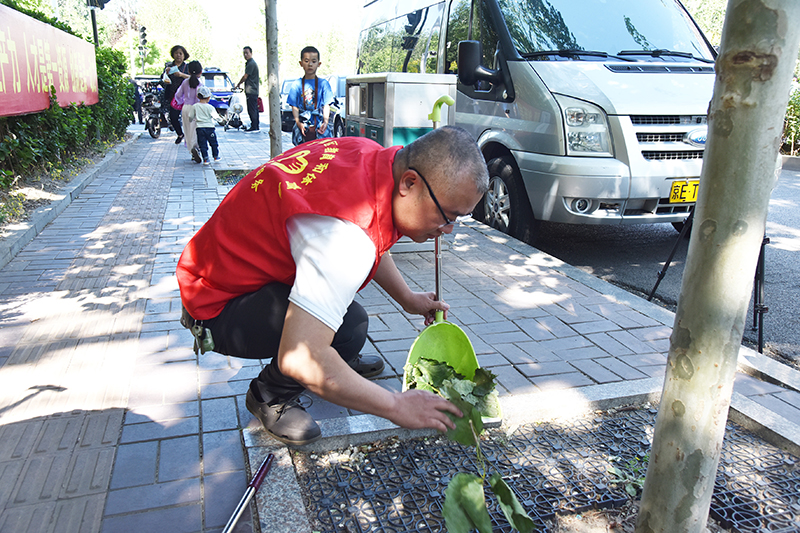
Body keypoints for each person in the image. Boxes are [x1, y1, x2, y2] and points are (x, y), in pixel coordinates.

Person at [176, 126, 489, 446]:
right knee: (345, 330)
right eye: (448, 216)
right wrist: (396, 406)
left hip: (223, 272)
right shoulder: (344, 241)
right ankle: (269, 394)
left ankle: (338, 368)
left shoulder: (372, 158)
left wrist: (407, 298)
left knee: (351, 326)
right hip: (214, 306)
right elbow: (301, 356)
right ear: (410, 182)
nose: (448, 230)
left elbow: (371, 231)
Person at [287, 46, 333, 146]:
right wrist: (298, 123)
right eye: (306, 61)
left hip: (319, 124)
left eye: (313, 61)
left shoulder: (324, 84)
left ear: (319, 64)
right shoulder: (296, 84)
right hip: (303, 125)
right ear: (301, 63)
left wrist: (325, 122)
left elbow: (326, 105)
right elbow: (294, 106)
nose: (310, 64)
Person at [173, 60, 204, 163]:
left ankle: (192, 151)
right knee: (196, 130)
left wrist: (182, 102)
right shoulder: (200, 84)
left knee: (187, 130)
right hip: (197, 108)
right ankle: (196, 148)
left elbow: (178, 95)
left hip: (186, 108)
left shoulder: (185, 82)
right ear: (201, 72)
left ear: (189, 71)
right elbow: (202, 97)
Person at [162, 45, 191, 144]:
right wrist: (165, 76)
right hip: (173, 95)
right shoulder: (169, 66)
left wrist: (181, 75)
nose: (178, 55)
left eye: (180, 53)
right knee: (173, 117)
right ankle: (180, 134)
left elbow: (193, 78)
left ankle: (189, 137)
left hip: (186, 96)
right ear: (173, 55)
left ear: (184, 55)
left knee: (187, 118)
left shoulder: (187, 67)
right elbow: (162, 78)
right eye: (176, 53)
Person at [190, 86, 222, 165]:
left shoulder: (194, 106)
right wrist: (222, 120)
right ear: (209, 97)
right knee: (213, 143)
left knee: (202, 144)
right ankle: (216, 156)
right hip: (210, 128)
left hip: (199, 128)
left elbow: (190, 117)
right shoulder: (210, 107)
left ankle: (206, 159)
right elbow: (216, 117)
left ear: (197, 96)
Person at [234, 46, 260, 132]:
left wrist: (238, 84)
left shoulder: (251, 64)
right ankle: (255, 125)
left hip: (251, 90)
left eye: (247, 53)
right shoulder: (250, 63)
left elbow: (245, 76)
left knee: (252, 108)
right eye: (244, 53)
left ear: (251, 53)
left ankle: (254, 125)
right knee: (254, 108)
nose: (245, 55)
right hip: (253, 90)